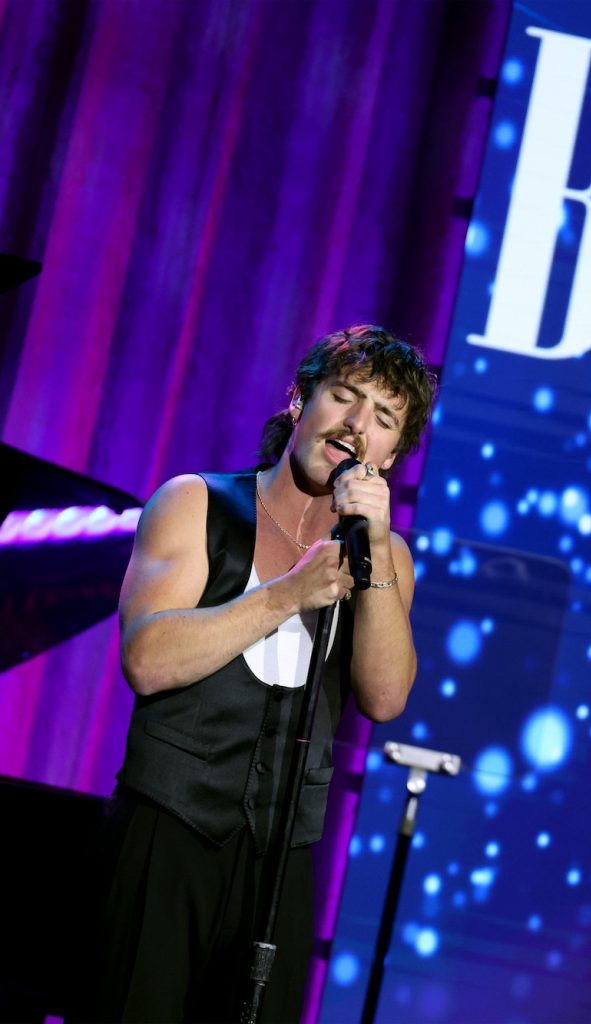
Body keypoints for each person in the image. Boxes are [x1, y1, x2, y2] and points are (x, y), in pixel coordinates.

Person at [91, 324, 438, 1022]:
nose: (355, 427)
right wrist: (284, 596)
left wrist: (371, 549)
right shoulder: (197, 503)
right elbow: (148, 660)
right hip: (167, 834)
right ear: (297, 401)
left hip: (281, 859)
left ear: (394, 454)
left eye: (383, 418)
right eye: (343, 397)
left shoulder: (388, 557)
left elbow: (386, 695)